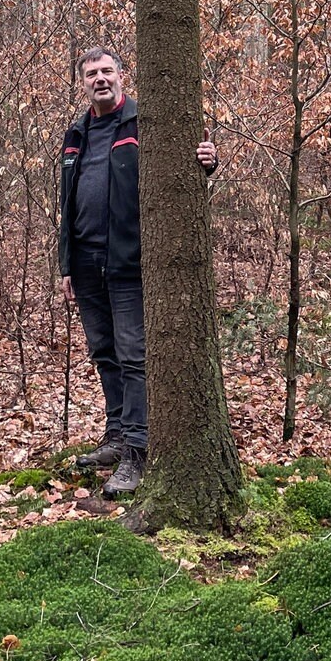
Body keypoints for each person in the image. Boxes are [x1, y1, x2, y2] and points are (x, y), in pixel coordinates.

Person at [58, 46, 218, 498]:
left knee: (134, 357)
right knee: (104, 353)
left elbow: (181, 167)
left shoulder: (143, 124)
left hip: (130, 260)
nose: (100, 79)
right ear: (82, 82)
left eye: (107, 71)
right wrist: (65, 265)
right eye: (92, 73)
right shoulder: (76, 134)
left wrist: (206, 160)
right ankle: (115, 436)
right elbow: (66, 205)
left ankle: (137, 451)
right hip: (86, 263)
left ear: (122, 76)